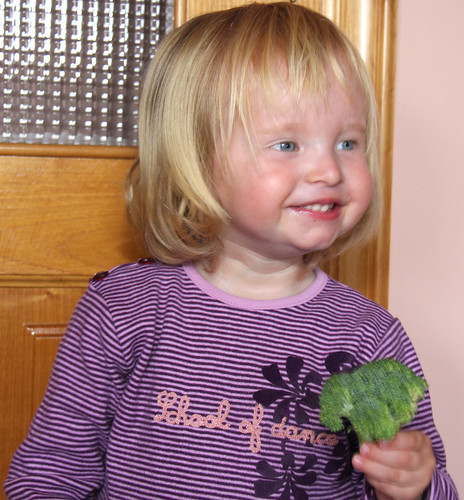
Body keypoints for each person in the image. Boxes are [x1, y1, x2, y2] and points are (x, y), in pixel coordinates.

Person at [4, 3, 458, 499]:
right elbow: (50, 473)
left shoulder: (370, 336)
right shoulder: (125, 309)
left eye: (349, 143)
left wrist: (416, 483)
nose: (329, 170)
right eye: (287, 144)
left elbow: (432, 485)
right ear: (195, 158)